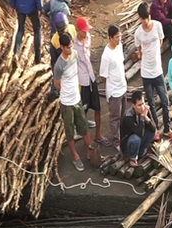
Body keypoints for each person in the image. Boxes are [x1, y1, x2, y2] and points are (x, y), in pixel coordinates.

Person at [134, 2, 172, 141]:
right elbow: (139, 51)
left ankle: (167, 128)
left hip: (158, 71)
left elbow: (160, 40)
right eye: (143, 18)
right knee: (151, 104)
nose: (146, 21)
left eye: (147, 17)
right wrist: (145, 55)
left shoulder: (158, 26)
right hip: (146, 73)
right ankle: (155, 130)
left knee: (165, 102)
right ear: (140, 18)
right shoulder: (138, 33)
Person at [54, 33, 97, 172]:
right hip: (66, 103)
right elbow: (57, 85)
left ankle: (89, 149)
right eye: (67, 47)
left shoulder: (75, 55)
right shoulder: (59, 65)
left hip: (77, 99)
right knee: (70, 131)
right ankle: (75, 156)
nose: (70, 49)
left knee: (83, 126)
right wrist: (66, 93)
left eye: (71, 46)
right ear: (61, 47)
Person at [75, 17, 110, 146]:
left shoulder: (88, 37)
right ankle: (87, 140)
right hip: (82, 81)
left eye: (86, 30)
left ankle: (98, 135)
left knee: (97, 108)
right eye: (83, 31)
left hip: (91, 77)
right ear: (78, 30)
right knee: (82, 112)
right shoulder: (73, 45)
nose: (86, 33)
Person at [100, 24, 127, 154]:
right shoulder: (106, 56)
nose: (119, 39)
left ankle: (122, 137)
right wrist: (112, 85)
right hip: (114, 91)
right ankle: (116, 142)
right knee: (114, 118)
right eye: (117, 37)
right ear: (110, 38)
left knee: (123, 115)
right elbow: (103, 76)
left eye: (120, 36)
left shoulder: (119, 47)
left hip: (123, 87)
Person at [121, 91, 157, 167]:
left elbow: (153, 128)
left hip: (139, 136)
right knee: (136, 138)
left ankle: (142, 152)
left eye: (143, 103)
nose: (143, 107)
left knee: (152, 131)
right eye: (139, 105)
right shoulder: (128, 116)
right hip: (128, 143)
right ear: (133, 105)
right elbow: (139, 133)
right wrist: (142, 118)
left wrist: (147, 118)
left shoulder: (145, 109)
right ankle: (132, 158)